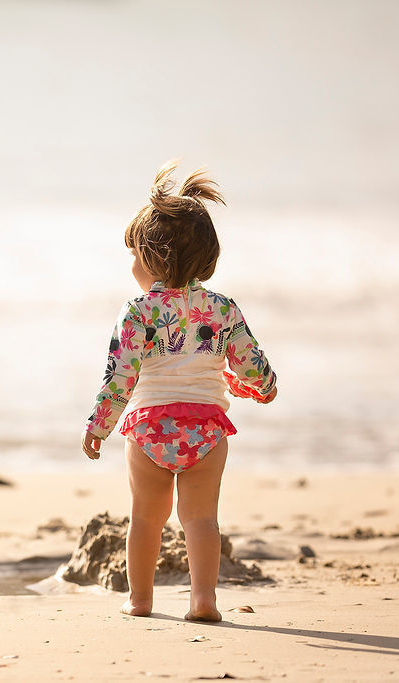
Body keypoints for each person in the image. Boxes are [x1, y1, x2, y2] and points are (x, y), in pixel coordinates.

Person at [81, 160, 277, 622]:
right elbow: (255, 367)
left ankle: (140, 600)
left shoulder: (136, 313)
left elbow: (119, 378)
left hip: (149, 429)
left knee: (146, 518)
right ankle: (204, 601)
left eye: (135, 254)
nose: (131, 264)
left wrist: (98, 427)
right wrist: (257, 389)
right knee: (201, 519)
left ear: (153, 258)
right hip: (207, 429)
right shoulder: (222, 308)